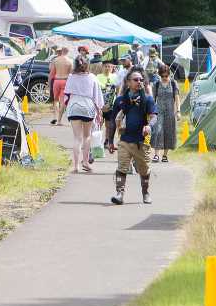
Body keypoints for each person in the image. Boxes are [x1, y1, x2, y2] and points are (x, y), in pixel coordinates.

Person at [105, 68, 158, 205]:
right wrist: (110, 141)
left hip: (142, 142)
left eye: (141, 80)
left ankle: (145, 193)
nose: (139, 82)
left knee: (144, 170)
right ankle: (119, 194)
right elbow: (112, 122)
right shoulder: (120, 100)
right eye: (135, 79)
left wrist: (149, 126)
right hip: (124, 141)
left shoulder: (147, 99)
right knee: (122, 167)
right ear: (128, 82)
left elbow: (154, 117)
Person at [63, 56, 104, 173]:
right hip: (87, 106)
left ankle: (76, 166)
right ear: (87, 65)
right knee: (87, 136)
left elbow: (66, 94)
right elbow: (97, 96)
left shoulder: (71, 77)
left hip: (74, 106)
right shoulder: (92, 77)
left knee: (77, 138)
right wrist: (99, 111)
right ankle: (85, 162)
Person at [150, 63, 180, 162]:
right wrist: (151, 112)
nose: (164, 78)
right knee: (158, 131)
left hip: (170, 112)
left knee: (169, 132)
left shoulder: (173, 83)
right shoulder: (156, 84)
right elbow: (153, 99)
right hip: (159, 112)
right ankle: (156, 155)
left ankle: (165, 155)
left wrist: (178, 111)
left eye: (166, 76)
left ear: (169, 74)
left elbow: (177, 98)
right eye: (162, 76)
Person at [49, 47, 74, 125]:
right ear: (68, 51)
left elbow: (51, 73)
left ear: (61, 51)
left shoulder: (55, 60)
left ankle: (55, 117)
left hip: (56, 80)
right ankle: (59, 120)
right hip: (65, 81)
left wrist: (49, 83)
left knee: (56, 100)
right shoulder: (70, 61)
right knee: (63, 102)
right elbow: (71, 74)